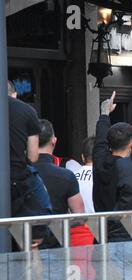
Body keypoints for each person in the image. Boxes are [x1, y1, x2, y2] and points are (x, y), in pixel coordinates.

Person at [34, 119, 93, 248]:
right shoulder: (66, 175)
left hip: (20, 245)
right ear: (54, 141)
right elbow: (79, 217)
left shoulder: (17, 173)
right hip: (57, 246)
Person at [8, 85, 52, 249]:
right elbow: (33, 156)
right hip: (17, 179)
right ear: (14, 94)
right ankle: (37, 235)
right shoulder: (27, 111)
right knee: (32, 242)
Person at [92, 92, 132, 241]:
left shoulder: (99, 162)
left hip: (102, 233)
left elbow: (100, 141)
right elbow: (100, 142)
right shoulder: (130, 168)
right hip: (124, 234)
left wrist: (104, 114)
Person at [72, 136, 95, 213]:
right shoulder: (105, 177)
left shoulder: (72, 176)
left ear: (82, 157)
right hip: (100, 223)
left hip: (78, 224)